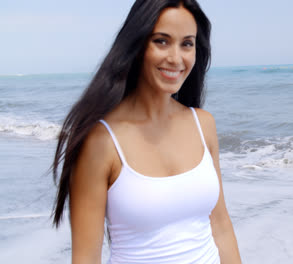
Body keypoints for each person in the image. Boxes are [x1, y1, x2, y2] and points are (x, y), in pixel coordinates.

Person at [51, 0, 242, 263]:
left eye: (187, 43)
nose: (176, 58)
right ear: (137, 46)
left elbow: (221, 227)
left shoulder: (203, 124)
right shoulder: (102, 141)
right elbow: (86, 257)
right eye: (161, 41)